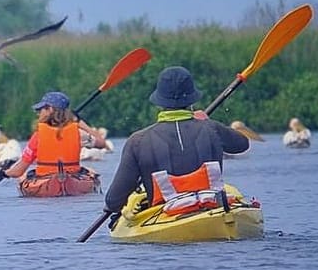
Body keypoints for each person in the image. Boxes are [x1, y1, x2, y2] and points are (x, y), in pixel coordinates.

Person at [102, 66, 252, 217]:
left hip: (164, 216)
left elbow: (114, 201)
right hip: (214, 209)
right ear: (192, 99)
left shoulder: (137, 141)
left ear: (159, 102)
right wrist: (209, 122)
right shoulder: (211, 128)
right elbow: (242, 144)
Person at [0, 91, 109, 197]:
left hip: (44, 181)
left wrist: (5, 173)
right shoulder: (79, 133)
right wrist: (80, 122)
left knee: (23, 177)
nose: (38, 113)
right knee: (90, 172)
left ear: (50, 109)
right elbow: (102, 143)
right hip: (73, 178)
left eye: (41, 109)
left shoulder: (38, 136)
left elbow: (18, 171)